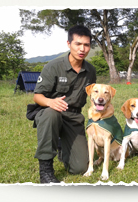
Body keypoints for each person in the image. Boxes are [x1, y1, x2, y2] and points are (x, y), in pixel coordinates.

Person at [33, 25, 96, 183]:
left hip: (74, 117)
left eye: (86, 45)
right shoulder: (53, 66)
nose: (82, 49)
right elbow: (37, 96)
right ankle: (46, 170)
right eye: (78, 44)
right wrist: (49, 102)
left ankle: (62, 146)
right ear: (69, 44)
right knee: (50, 115)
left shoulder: (91, 71)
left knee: (80, 168)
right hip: (52, 112)